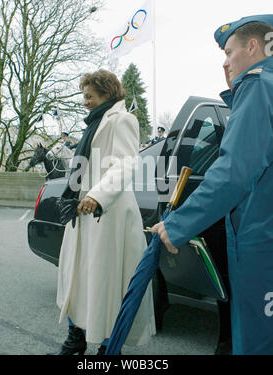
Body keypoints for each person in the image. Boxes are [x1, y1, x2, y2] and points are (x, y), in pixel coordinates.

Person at [152, 15, 273, 355]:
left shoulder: (258, 85)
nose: (225, 62)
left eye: (229, 51)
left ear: (253, 47)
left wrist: (178, 225)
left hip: (263, 244)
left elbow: (233, 172)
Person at [54, 69, 155, 355]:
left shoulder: (123, 120)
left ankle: (110, 348)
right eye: (84, 96)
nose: (85, 101)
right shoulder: (94, 123)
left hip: (107, 213)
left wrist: (98, 196)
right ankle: (77, 338)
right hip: (82, 212)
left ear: (106, 93)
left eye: (89, 96)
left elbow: (125, 163)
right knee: (80, 279)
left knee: (110, 283)